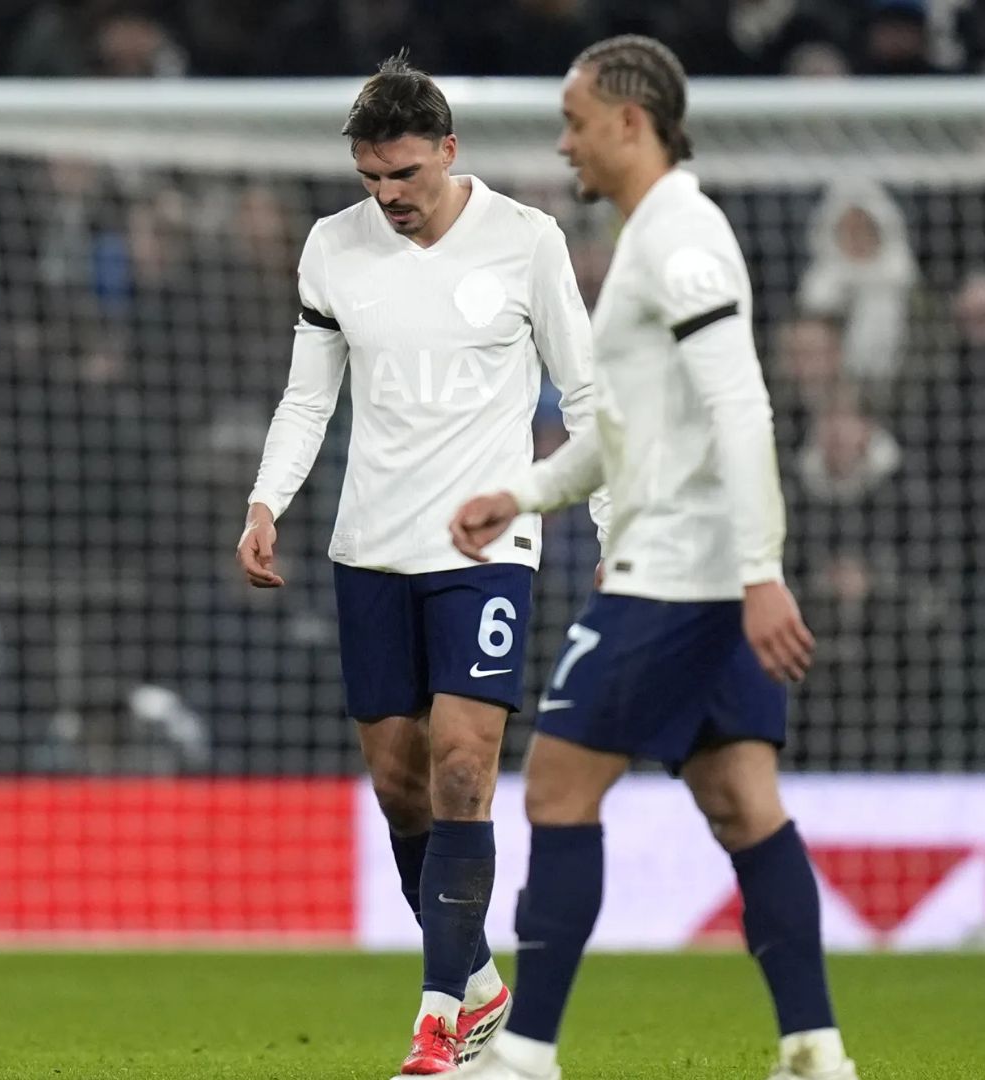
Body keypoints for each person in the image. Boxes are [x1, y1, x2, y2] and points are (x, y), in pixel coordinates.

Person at [449, 36, 857, 1080]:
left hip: (677, 578)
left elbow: (743, 407)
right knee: (742, 802)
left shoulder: (681, 241)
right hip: (698, 572)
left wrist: (761, 572)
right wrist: (524, 494)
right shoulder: (654, 238)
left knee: (555, 787)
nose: (565, 144)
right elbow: (632, 430)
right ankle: (816, 1049)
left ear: (631, 123)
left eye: (576, 122)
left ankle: (524, 1054)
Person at [236, 52, 606, 1077]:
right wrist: (267, 501)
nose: (388, 195)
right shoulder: (333, 246)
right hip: (370, 546)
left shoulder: (528, 240)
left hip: (486, 548)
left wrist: (616, 532)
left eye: (404, 174)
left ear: (449, 149)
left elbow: (586, 397)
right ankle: (479, 984)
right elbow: (308, 396)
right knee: (403, 791)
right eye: (371, 177)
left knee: (462, 765)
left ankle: (438, 1018)